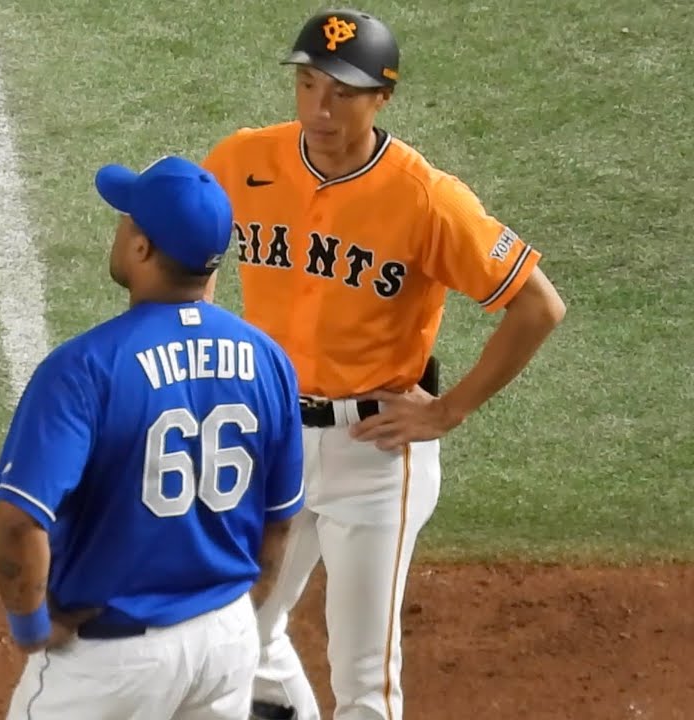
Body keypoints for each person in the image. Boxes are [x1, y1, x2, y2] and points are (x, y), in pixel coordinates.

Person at [199, 9, 567, 720]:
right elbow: (195, 244)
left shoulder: (426, 199)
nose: (320, 109)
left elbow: (538, 306)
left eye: (343, 92)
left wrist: (448, 410)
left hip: (373, 454)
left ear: (381, 99)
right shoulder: (244, 160)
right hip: (271, 441)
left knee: (364, 680)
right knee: (241, 631)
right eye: (308, 85)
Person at [0, 154, 306, 719]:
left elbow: (19, 520)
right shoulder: (269, 360)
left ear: (141, 248)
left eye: (126, 219)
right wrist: (235, 610)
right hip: (227, 641)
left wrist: (32, 626)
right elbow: (280, 520)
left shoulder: (84, 368)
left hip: (114, 660)